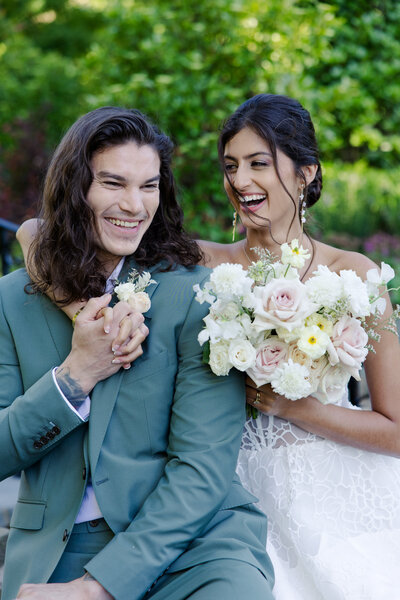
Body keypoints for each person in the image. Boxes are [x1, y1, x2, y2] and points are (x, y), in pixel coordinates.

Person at [1, 106, 275, 600]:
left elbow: (201, 469)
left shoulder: (199, 295)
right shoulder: (10, 301)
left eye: (148, 186)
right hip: (58, 550)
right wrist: (74, 378)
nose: (134, 205)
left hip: (193, 546)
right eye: (113, 183)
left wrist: (99, 589)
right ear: (75, 187)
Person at [197, 94, 400, 599]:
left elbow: (396, 429)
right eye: (231, 166)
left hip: (338, 495)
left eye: (258, 163)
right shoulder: (203, 265)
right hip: (232, 498)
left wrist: (294, 407)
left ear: (306, 173)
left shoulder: (355, 275)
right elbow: (44, 232)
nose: (239, 181)